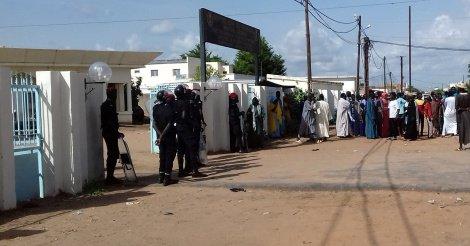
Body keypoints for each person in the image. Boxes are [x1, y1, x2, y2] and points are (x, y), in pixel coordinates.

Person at [174, 85, 207, 177]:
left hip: (178, 128)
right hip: (186, 128)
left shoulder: (174, 103)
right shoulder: (185, 103)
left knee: (180, 151)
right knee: (192, 148)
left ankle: (181, 171)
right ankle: (195, 171)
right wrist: (192, 123)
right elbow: (185, 116)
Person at [152, 90, 178, 186]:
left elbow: (154, 124)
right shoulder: (170, 108)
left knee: (162, 156)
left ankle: (160, 177)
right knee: (169, 157)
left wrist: (159, 135)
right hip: (169, 136)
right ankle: (167, 178)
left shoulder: (155, 108)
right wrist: (162, 135)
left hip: (160, 137)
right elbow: (170, 124)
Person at [101, 85, 123, 185]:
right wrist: (116, 132)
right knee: (112, 154)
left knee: (114, 154)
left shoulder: (111, 104)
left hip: (112, 132)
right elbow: (109, 122)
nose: (115, 95)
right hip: (109, 132)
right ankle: (109, 178)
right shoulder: (107, 104)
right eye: (114, 93)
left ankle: (111, 177)